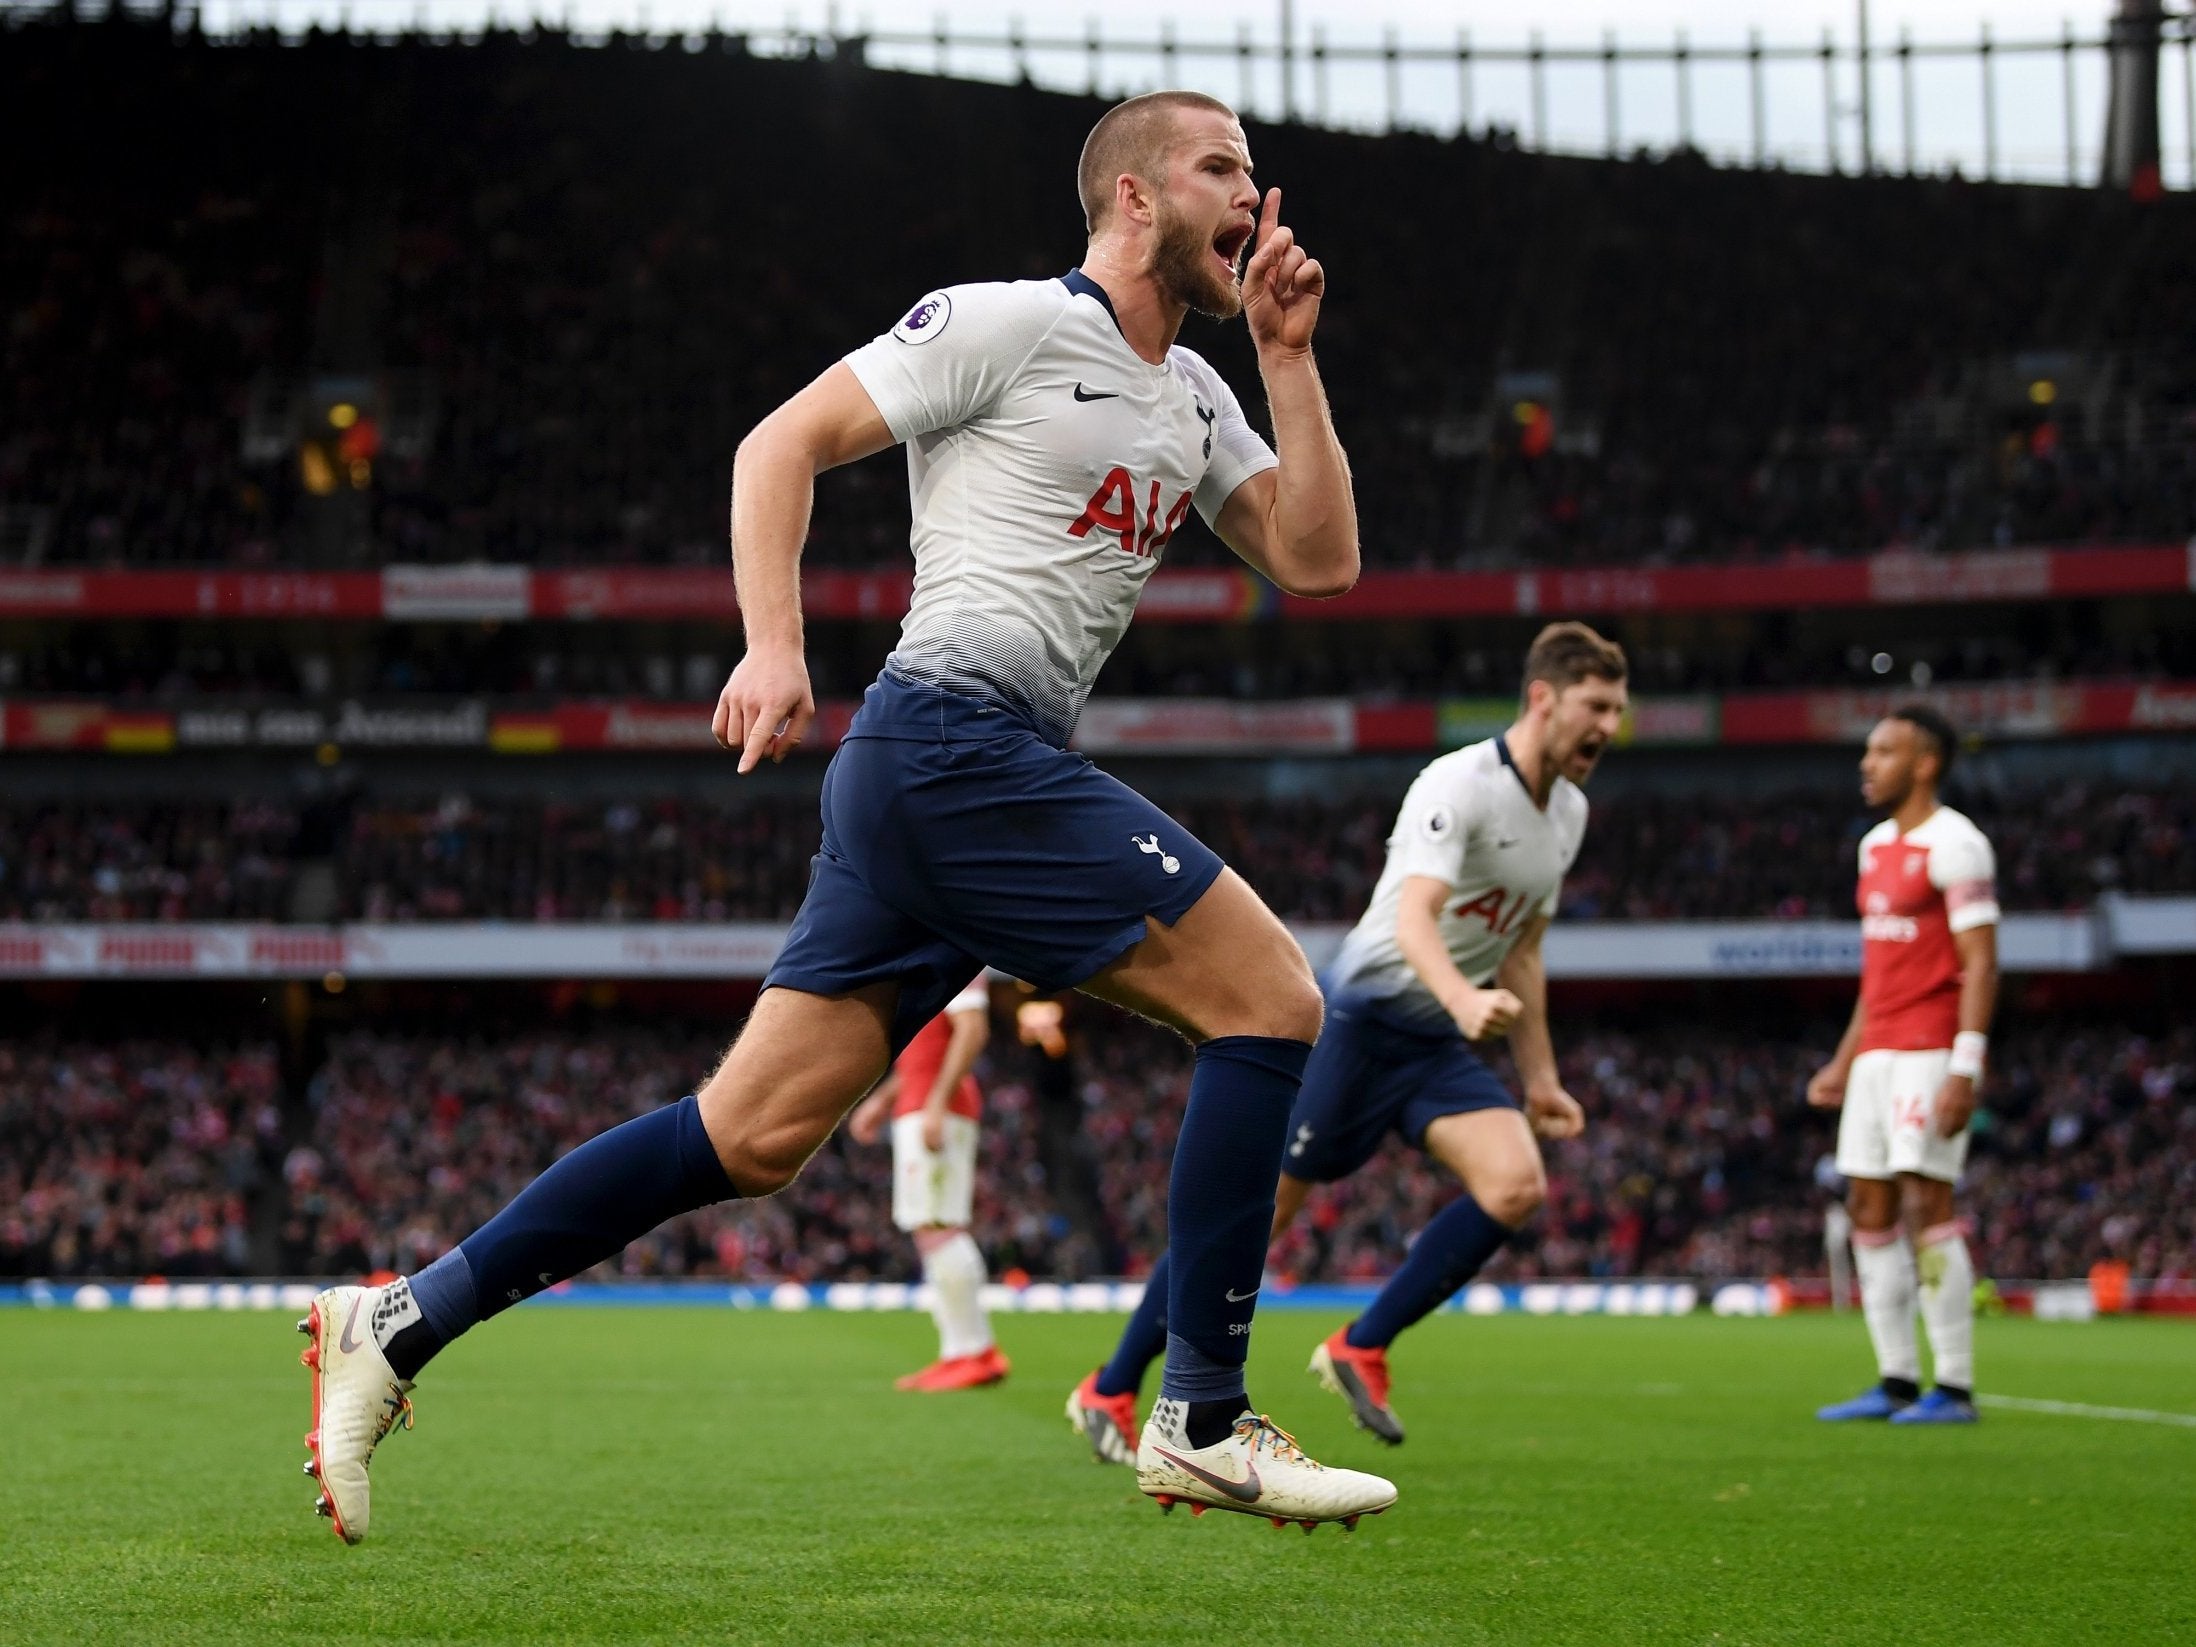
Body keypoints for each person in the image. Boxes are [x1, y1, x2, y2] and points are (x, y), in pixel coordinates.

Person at [295, 87, 1395, 1542]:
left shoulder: (1197, 398)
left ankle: (400, 1315)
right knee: (1271, 997)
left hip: (952, 788)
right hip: (949, 744)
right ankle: (1195, 1413)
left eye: (1254, 175)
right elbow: (779, 443)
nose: (1251, 198)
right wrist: (772, 639)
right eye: (1220, 169)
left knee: (746, 1134)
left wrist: (1286, 357)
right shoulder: (1005, 323)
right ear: (1135, 198)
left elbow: (1320, 558)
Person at [1068, 623, 1627, 1458]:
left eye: (1619, 710)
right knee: (1252, 1221)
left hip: (1435, 1039)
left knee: (1515, 1184)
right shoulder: (1461, 782)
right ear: (1543, 697)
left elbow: (1525, 945)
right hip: (1360, 1025)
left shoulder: (1570, 813)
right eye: (1596, 705)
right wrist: (1463, 998)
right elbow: (1412, 917)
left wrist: (1539, 1078)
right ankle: (1110, 1386)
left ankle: (1360, 1344)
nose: (1609, 726)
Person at [1808, 706, 1998, 1425]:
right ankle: (1893, 1378)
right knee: (1869, 1206)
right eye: (1868, 750)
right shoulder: (1873, 847)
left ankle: (1952, 1385)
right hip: (1877, 1053)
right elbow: (1877, 973)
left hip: (1930, 1048)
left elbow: (1981, 962)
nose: (1868, 762)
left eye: (1884, 751)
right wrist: (1842, 1059)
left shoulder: (1958, 844)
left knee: (1927, 1202)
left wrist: (1964, 1066)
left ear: (1925, 763)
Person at [846, 978, 1010, 1391]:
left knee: (938, 1225)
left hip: (937, 1109)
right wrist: (883, 1102)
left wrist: (937, 1101)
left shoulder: (958, 959)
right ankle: (962, 1351)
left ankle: (972, 1352)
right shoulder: (935, 963)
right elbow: (927, 1054)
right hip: (922, 1104)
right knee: (932, 1227)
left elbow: (973, 1029)